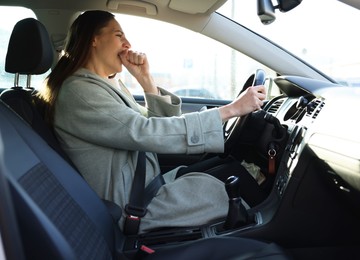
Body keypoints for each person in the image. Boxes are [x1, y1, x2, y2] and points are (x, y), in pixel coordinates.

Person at [38, 10, 267, 234]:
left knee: (228, 168)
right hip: (135, 206)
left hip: (146, 187)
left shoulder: (102, 85)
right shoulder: (79, 92)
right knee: (239, 187)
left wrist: (146, 81)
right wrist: (232, 110)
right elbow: (145, 132)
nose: (127, 43)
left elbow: (159, 130)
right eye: (119, 35)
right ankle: (275, 234)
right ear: (94, 40)